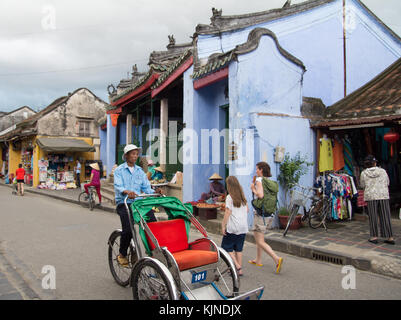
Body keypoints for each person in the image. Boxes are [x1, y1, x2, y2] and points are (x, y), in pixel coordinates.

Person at [114, 144, 162, 267]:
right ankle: (122, 254)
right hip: (124, 203)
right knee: (128, 229)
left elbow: (146, 187)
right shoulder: (119, 170)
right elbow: (118, 186)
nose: (135, 156)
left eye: (136, 154)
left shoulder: (140, 171)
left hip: (139, 203)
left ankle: (153, 251)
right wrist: (127, 192)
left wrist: (155, 191)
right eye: (132, 154)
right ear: (126, 156)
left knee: (153, 224)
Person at [249, 161, 283, 274]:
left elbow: (260, 195)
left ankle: (276, 259)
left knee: (260, 240)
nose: (256, 171)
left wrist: (253, 188)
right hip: (268, 214)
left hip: (260, 214)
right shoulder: (271, 182)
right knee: (259, 238)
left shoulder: (259, 180)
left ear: (261, 170)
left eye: (257, 169)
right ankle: (258, 259)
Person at [360, 155, 395, 245]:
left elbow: (362, 185)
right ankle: (390, 237)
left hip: (371, 196)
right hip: (383, 195)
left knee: (373, 217)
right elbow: (388, 182)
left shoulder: (364, 173)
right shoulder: (383, 171)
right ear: (375, 163)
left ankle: (374, 237)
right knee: (386, 216)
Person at [221, 176, 249, 276]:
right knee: (238, 249)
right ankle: (239, 270)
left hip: (233, 227)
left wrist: (223, 225)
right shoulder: (242, 197)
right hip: (243, 227)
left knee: (226, 248)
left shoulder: (229, 197)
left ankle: (236, 265)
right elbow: (247, 210)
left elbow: (227, 212)